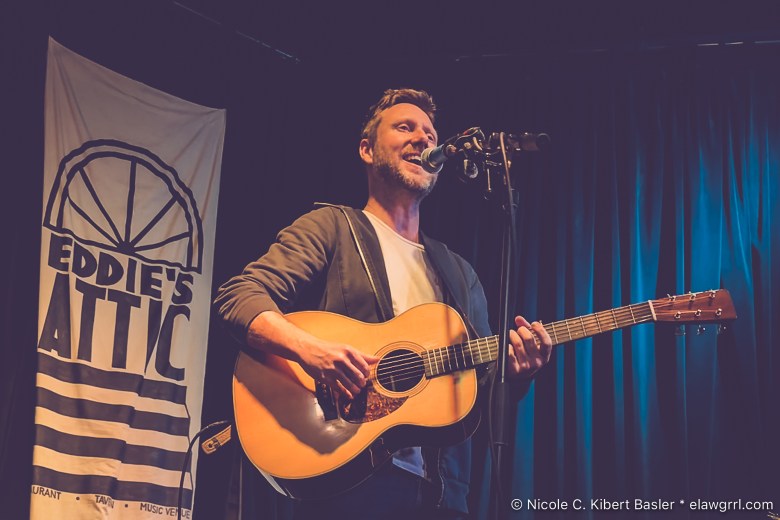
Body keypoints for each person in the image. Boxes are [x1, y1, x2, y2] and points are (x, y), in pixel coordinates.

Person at [214, 88, 553, 519]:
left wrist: (516, 374)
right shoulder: (332, 227)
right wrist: (312, 352)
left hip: (441, 495)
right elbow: (238, 297)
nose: (424, 139)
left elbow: (474, 398)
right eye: (405, 127)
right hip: (345, 479)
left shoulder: (461, 275)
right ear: (367, 149)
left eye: (430, 133)